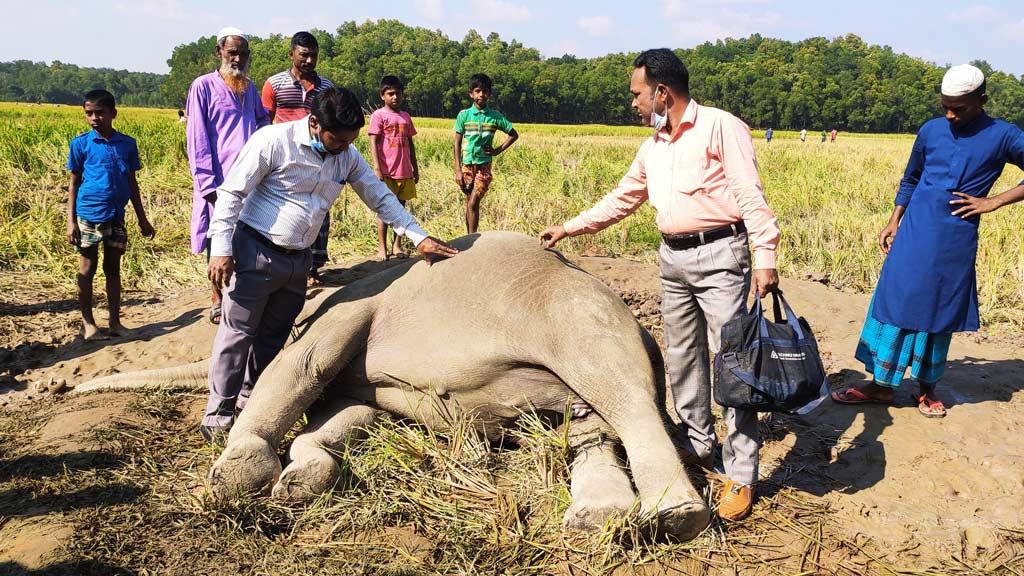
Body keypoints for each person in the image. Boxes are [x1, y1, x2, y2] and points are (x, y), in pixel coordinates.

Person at [539, 49, 780, 522]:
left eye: (637, 93)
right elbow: (625, 196)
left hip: (720, 256)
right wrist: (570, 228)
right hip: (672, 258)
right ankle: (697, 441)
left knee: (734, 364)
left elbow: (750, 194)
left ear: (661, 93)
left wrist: (764, 256)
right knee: (684, 355)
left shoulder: (719, 127)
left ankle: (741, 474)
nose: (633, 101)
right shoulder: (655, 144)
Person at [200, 87, 459, 441]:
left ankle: (248, 404)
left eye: (348, 140)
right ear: (314, 123)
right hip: (256, 250)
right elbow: (232, 193)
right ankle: (217, 416)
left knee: (273, 337)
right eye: (336, 139)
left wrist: (418, 236)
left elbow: (378, 195)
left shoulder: (347, 156)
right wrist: (220, 248)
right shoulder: (274, 141)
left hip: (298, 262)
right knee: (238, 335)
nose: (342, 147)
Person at [831, 64, 1024, 418]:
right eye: (945, 106)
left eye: (960, 108)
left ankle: (927, 388)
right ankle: (881, 385)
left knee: (938, 308)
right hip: (913, 232)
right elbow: (911, 177)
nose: (950, 115)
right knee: (895, 302)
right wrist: (894, 220)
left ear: (981, 100)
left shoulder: (1005, 136)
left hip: (954, 238)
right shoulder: (931, 130)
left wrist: (993, 202)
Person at [186, 26, 270, 324]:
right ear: (219, 52)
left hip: (249, 179)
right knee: (216, 238)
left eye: (243, 54)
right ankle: (215, 297)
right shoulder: (203, 86)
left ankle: (238, 294)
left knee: (245, 237)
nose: (238, 58)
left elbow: (262, 123)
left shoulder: (249, 87)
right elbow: (197, 138)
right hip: (218, 180)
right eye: (232, 52)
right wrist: (207, 184)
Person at [66, 89, 156, 340]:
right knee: (87, 268)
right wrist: (70, 221)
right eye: (89, 113)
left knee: (113, 269)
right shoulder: (81, 144)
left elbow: (132, 182)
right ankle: (89, 324)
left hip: (117, 215)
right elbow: (73, 183)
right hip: (89, 215)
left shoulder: (127, 144)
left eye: (100, 113)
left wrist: (142, 218)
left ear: (113, 114)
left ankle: (115, 322)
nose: (95, 118)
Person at [261, 31, 336, 285]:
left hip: (316, 157)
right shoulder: (275, 84)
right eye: (304, 55)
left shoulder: (326, 88)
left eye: (314, 55)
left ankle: (312, 267)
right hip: (284, 158)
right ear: (291, 53)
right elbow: (265, 122)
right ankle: (286, 264)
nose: (309, 60)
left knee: (318, 211)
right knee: (289, 211)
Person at [453, 73, 519, 234]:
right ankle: (469, 238)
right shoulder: (464, 115)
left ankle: (471, 238)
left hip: (484, 166)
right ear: (471, 94)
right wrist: (457, 169)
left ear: (489, 93)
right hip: (467, 165)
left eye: (484, 91)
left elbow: (513, 134)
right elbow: (457, 143)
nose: (481, 94)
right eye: (477, 91)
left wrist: (497, 150)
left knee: (474, 201)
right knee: (469, 202)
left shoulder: (495, 117)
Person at [368, 75, 419, 260]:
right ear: (383, 95)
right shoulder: (378, 116)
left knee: (401, 210)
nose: (395, 97)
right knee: (384, 210)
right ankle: (382, 248)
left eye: (398, 94)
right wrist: (377, 168)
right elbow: (373, 142)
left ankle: (396, 246)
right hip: (387, 171)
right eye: (391, 94)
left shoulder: (405, 117)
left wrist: (415, 167)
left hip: (405, 172)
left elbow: (411, 143)